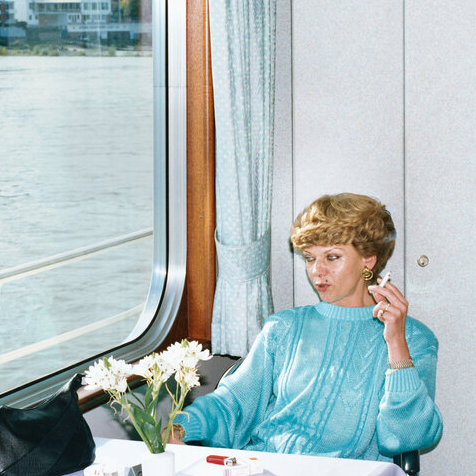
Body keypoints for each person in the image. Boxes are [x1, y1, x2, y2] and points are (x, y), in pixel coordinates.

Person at [169, 192, 442, 461]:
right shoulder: (284, 328)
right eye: (310, 258)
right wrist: (183, 424)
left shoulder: (413, 338)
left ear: (367, 260)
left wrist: (395, 343)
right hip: (267, 472)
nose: (317, 271)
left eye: (332, 257)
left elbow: (405, 437)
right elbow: (233, 402)